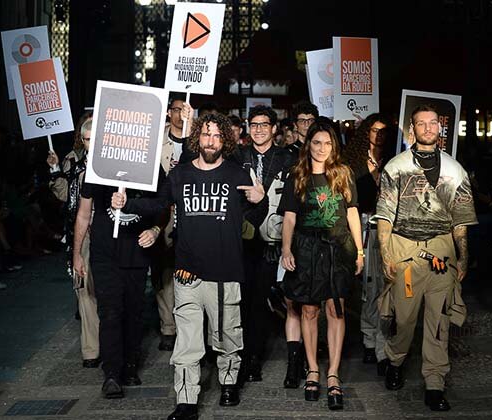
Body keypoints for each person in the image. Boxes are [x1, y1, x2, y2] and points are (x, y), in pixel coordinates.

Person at [111, 112, 264, 420]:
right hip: (187, 275)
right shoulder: (180, 174)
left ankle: (229, 382)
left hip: (225, 273)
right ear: (197, 138)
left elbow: (254, 218)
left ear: (226, 141)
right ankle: (186, 401)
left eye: (217, 136)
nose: (211, 141)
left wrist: (259, 200)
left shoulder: (237, 174)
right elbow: (158, 205)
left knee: (227, 337)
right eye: (206, 134)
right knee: (188, 343)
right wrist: (126, 204)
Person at [374, 105, 477, 411]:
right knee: (403, 318)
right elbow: (384, 215)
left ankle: (435, 382)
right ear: (412, 129)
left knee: (439, 321)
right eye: (422, 123)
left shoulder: (455, 170)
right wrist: (385, 254)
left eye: (434, 123)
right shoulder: (396, 167)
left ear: (440, 129)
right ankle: (395, 359)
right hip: (405, 252)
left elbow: (460, 220)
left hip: (442, 254)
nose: (429, 128)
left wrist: (463, 257)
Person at [279, 120, 364, 410]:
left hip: (338, 249)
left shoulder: (343, 173)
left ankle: (333, 373)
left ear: (334, 146)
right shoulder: (298, 174)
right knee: (309, 308)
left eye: (327, 143)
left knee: (335, 308)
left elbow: (352, 213)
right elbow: (289, 216)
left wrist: (361, 252)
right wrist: (286, 248)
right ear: (309, 144)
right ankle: (313, 368)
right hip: (306, 248)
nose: (322, 148)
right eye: (317, 142)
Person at [73, 162, 165, 398]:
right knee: (110, 312)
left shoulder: (152, 165)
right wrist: (77, 254)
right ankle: (112, 374)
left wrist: (155, 229)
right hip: (105, 254)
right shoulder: (97, 167)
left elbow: (164, 206)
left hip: (136, 253)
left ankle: (130, 366)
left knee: (133, 313)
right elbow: (84, 214)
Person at [231, 105, 295, 383]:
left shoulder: (286, 158)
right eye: (253, 124)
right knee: (240, 301)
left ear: (273, 128)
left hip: (272, 240)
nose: (258, 129)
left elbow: (293, 201)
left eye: (263, 124)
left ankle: (253, 357)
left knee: (261, 302)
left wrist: (264, 199)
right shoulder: (237, 156)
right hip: (241, 240)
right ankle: (242, 356)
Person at [46, 114, 100, 368]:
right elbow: (64, 195)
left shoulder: (110, 163)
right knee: (84, 289)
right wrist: (55, 169)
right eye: (86, 138)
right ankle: (91, 350)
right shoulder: (74, 163)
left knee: (107, 290)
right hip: (81, 234)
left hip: (108, 232)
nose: (89, 142)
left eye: (93, 137)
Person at [343, 113, 394, 374]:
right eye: (374, 130)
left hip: (391, 228)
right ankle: (368, 339)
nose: (378, 135)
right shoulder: (353, 161)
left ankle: (382, 342)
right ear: (366, 133)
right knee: (368, 287)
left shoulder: (396, 160)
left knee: (388, 287)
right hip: (363, 226)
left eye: (383, 131)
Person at [154, 96, 193, 352]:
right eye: (178, 109)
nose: (182, 114)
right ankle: (168, 326)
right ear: (169, 113)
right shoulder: (157, 141)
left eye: (186, 109)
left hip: (190, 210)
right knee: (164, 269)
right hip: (165, 210)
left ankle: (190, 324)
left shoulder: (197, 139)